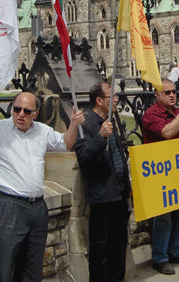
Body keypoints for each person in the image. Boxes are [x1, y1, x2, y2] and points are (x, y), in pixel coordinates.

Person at [0, 85, 83, 282]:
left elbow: (65, 144)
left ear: (36, 114)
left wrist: (73, 123)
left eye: (27, 111)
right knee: (3, 269)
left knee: (32, 269)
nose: (20, 114)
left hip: (37, 207)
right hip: (10, 206)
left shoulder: (42, 131)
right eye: (16, 109)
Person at [74, 83, 131, 282]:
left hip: (119, 192)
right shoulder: (86, 124)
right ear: (99, 101)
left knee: (119, 244)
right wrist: (100, 137)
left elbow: (118, 155)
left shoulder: (110, 120)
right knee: (101, 248)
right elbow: (84, 156)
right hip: (102, 195)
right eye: (111, 96)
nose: (116, 99)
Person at [142, 79, 179, 275]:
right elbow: (167, 132)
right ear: (157, 95)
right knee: (164, 217)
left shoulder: (177, 113)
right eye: (167, 92)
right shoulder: (151, 114)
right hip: (160, 174)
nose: (172, 95)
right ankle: (160, 257)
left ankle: (178, 251)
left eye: (174, 91)